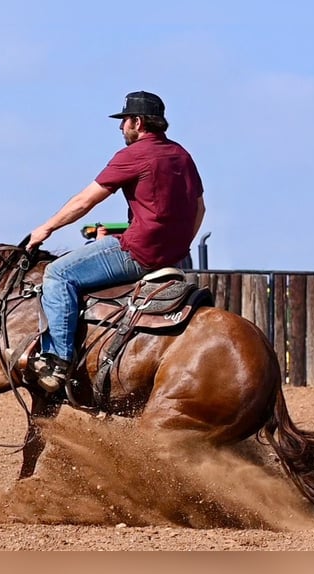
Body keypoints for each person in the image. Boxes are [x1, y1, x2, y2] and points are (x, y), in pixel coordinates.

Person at [25, 91, 206, 392]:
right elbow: (199, 208)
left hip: (137, 252)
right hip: (173, 257)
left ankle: (58, 362)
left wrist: (47, 228)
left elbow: (84, 201)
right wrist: (180, 244)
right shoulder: (182, 155)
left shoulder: (134, 155)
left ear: (137, 122)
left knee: (57, 273)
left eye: (123, 121)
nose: (121, 128)